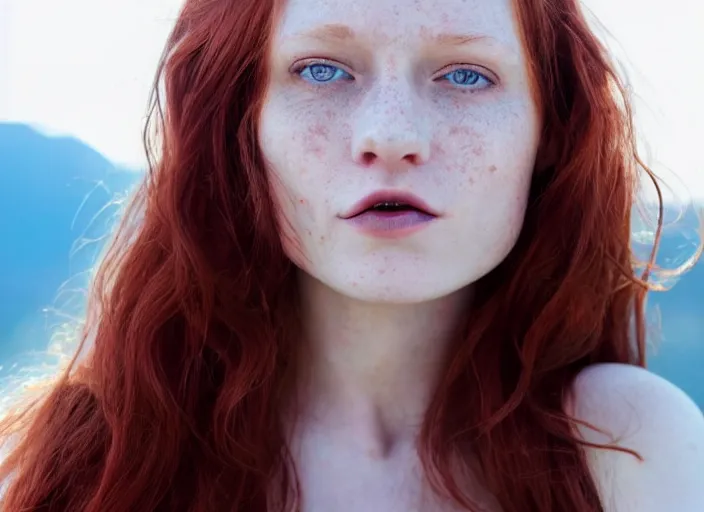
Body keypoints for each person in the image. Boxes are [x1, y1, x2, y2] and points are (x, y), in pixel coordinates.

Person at [1, 0, 703, 510]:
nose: (391, 135)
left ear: (550, 133)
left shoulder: (626, 451)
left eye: (465, 75)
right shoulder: (92, 464)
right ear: (242, 128)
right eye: (322, 70)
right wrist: (103, 412)